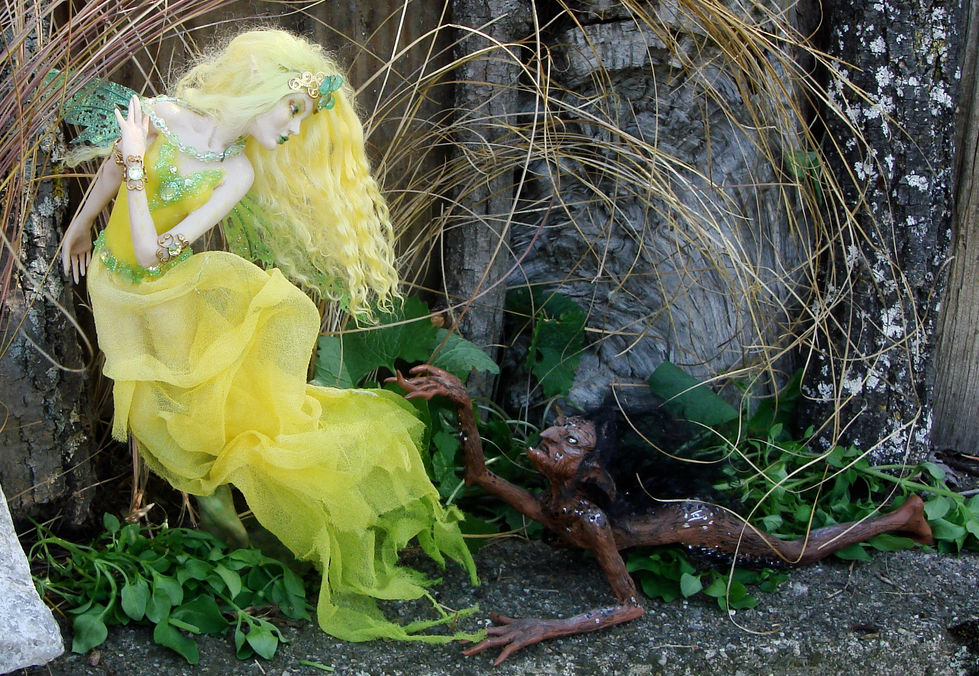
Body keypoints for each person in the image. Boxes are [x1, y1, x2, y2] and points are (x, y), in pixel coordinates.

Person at [59, 28, 477, 643]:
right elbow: (110, 177)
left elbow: (151, 251)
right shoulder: (158, 114)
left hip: (166, 285)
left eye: (303, 119)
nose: (291, 128)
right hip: (111, 284)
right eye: (293, 110)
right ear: (262, 87)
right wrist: (79, 226)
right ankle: (206, 518)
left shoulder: (235, 171)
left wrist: (135, 163)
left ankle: (227, 522)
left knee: (185, 416)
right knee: (152, 408)